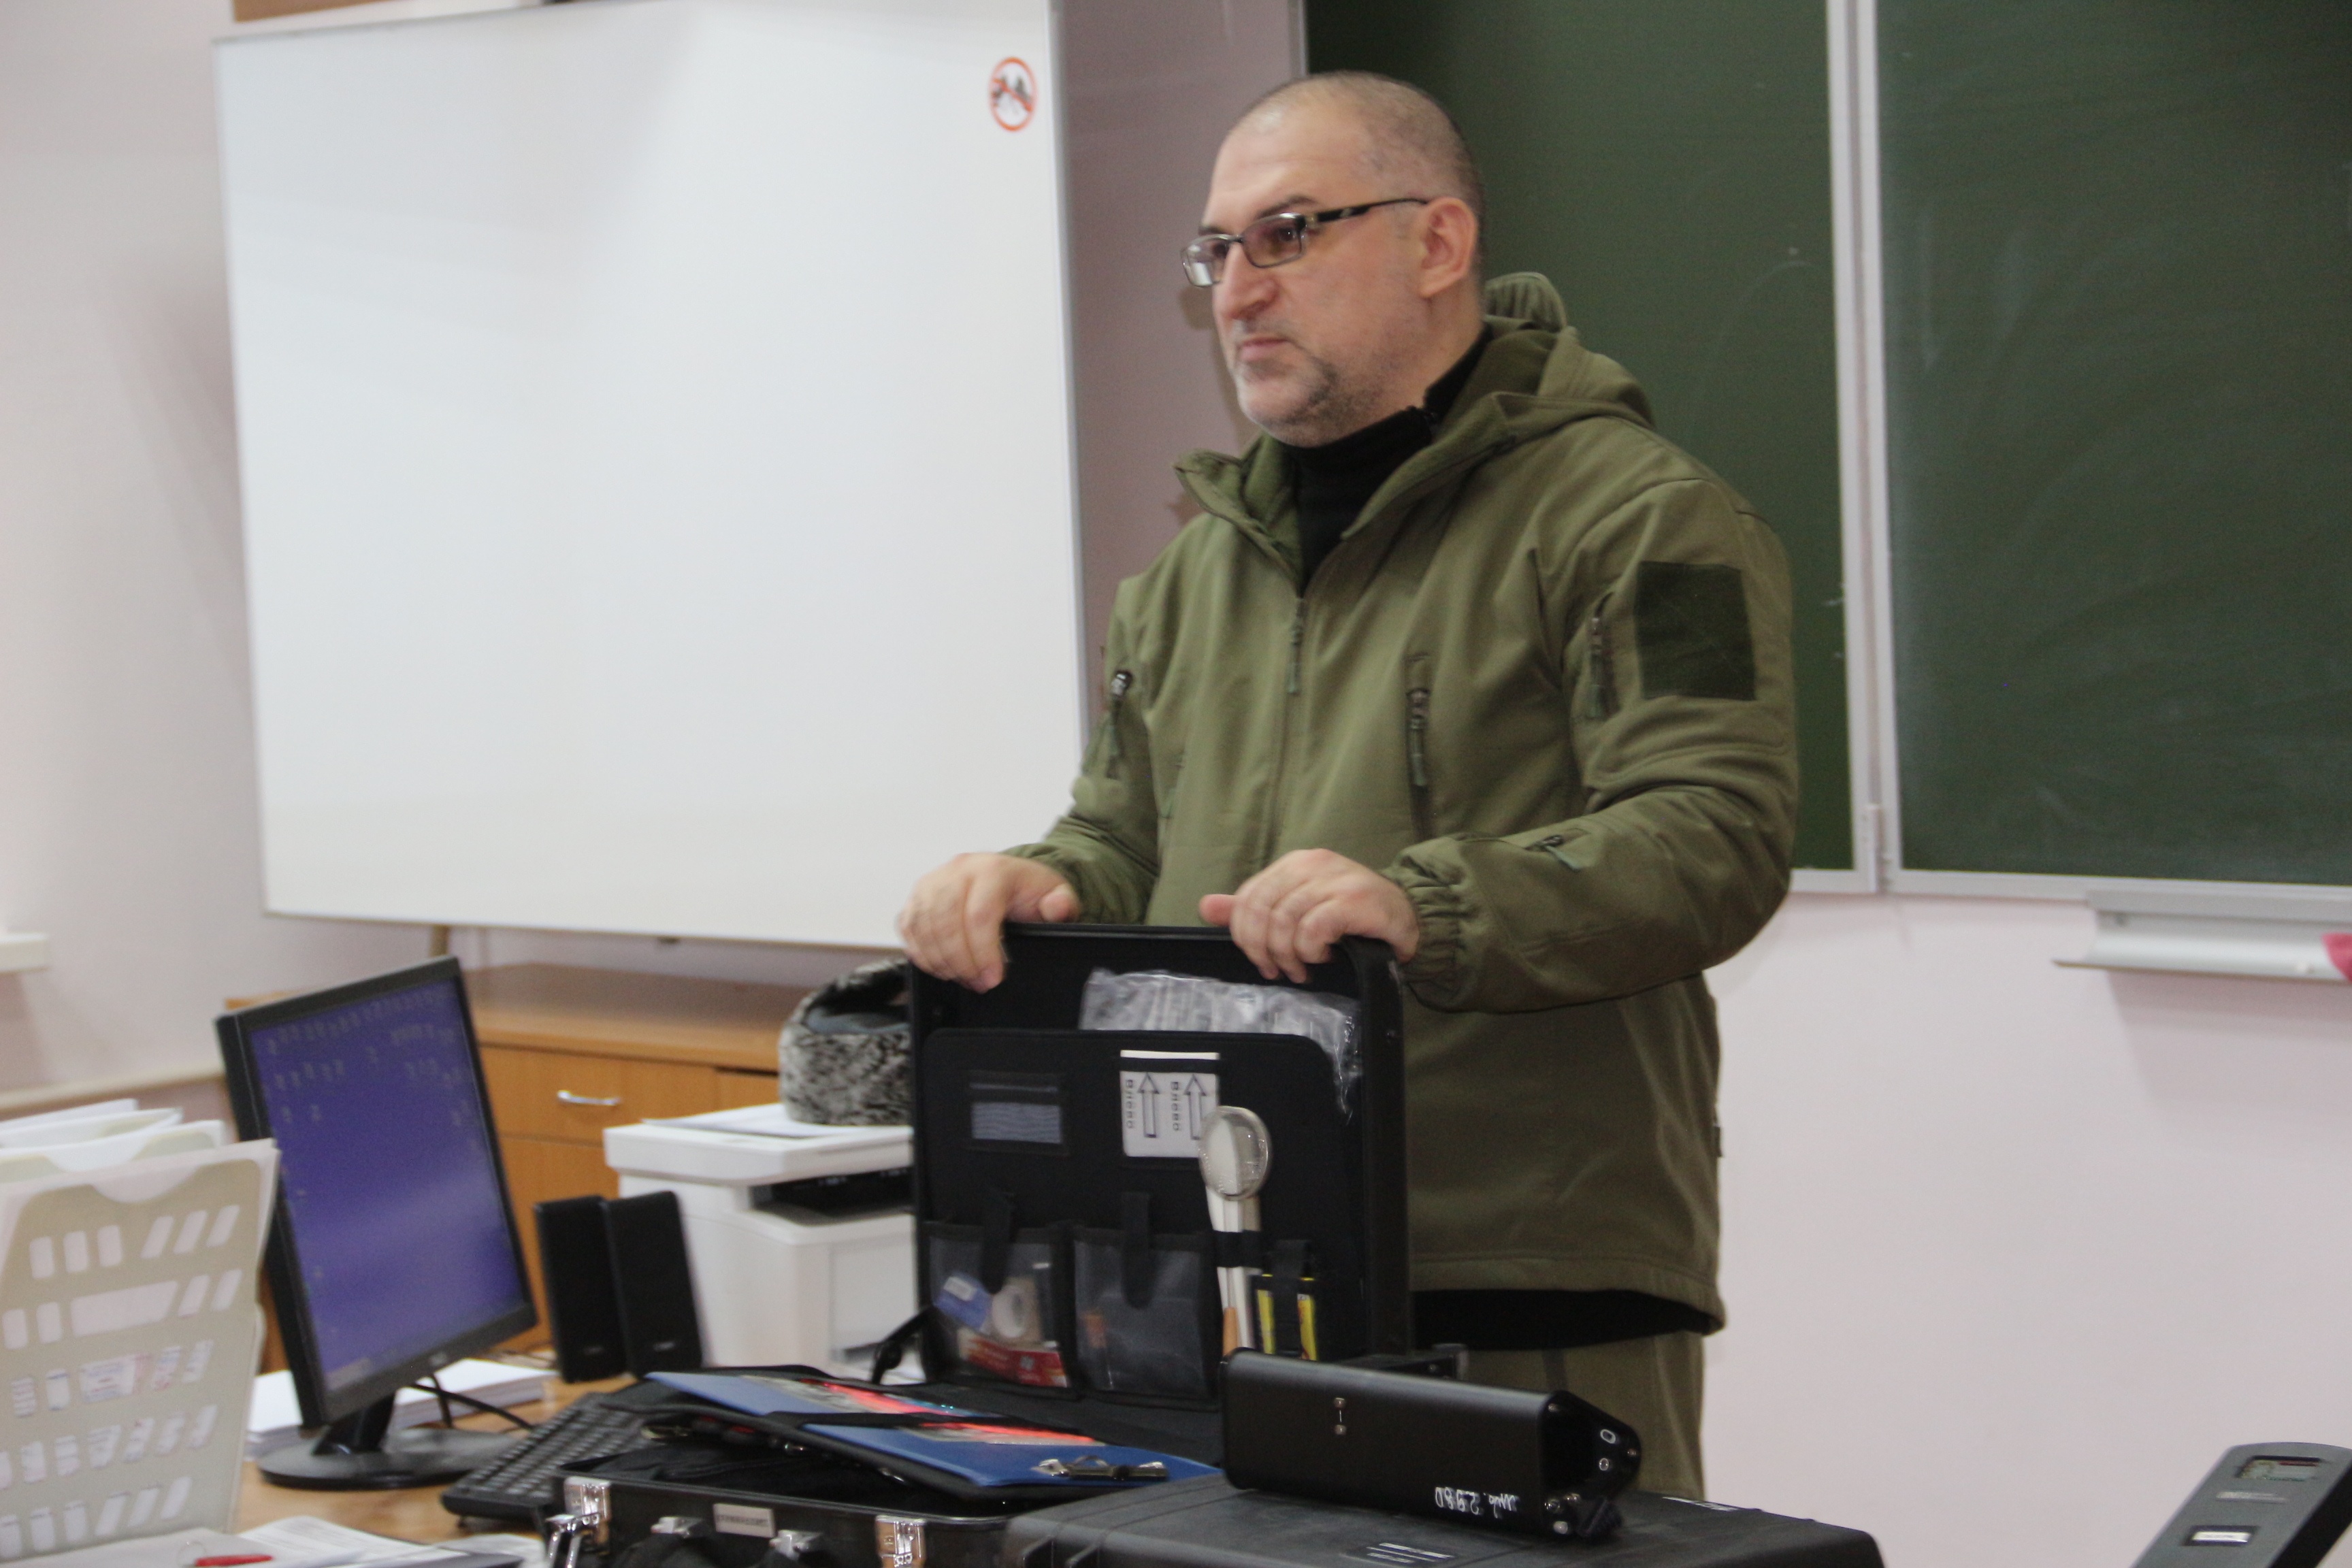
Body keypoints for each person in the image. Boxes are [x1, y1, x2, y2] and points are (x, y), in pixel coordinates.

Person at [898, 71, 1796, 1499]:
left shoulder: (1646, 521)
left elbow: (1715, 836)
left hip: (1513, 1272)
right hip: (1226, 1259)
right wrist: (1044, 880)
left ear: (1438, 244)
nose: (1238, 290)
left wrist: (1429, 903)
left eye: (1290, 234)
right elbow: (1123, 835)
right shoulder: (1190, 576)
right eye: (1218, 249)